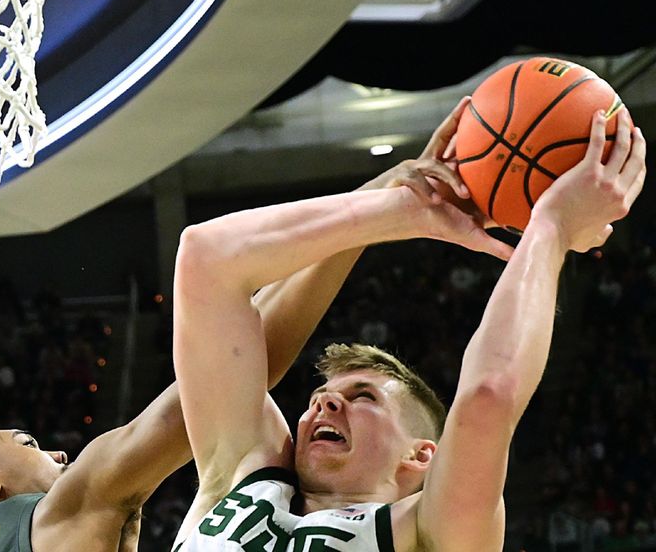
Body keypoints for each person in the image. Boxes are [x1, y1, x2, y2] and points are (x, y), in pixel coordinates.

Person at [0, 100, 498, 552]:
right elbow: (245, 357)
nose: (61, 456)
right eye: (30, 445)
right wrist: (386, 208)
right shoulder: (56, 514)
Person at [171, 105, 646, 551]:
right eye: (322, 396)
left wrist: (552, 228)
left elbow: (488, 397)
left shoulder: (425, 533)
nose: (324, 401)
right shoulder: (240, 473)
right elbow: (205, 258)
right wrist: (398, 209)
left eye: (364, 397)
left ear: (421, 457)